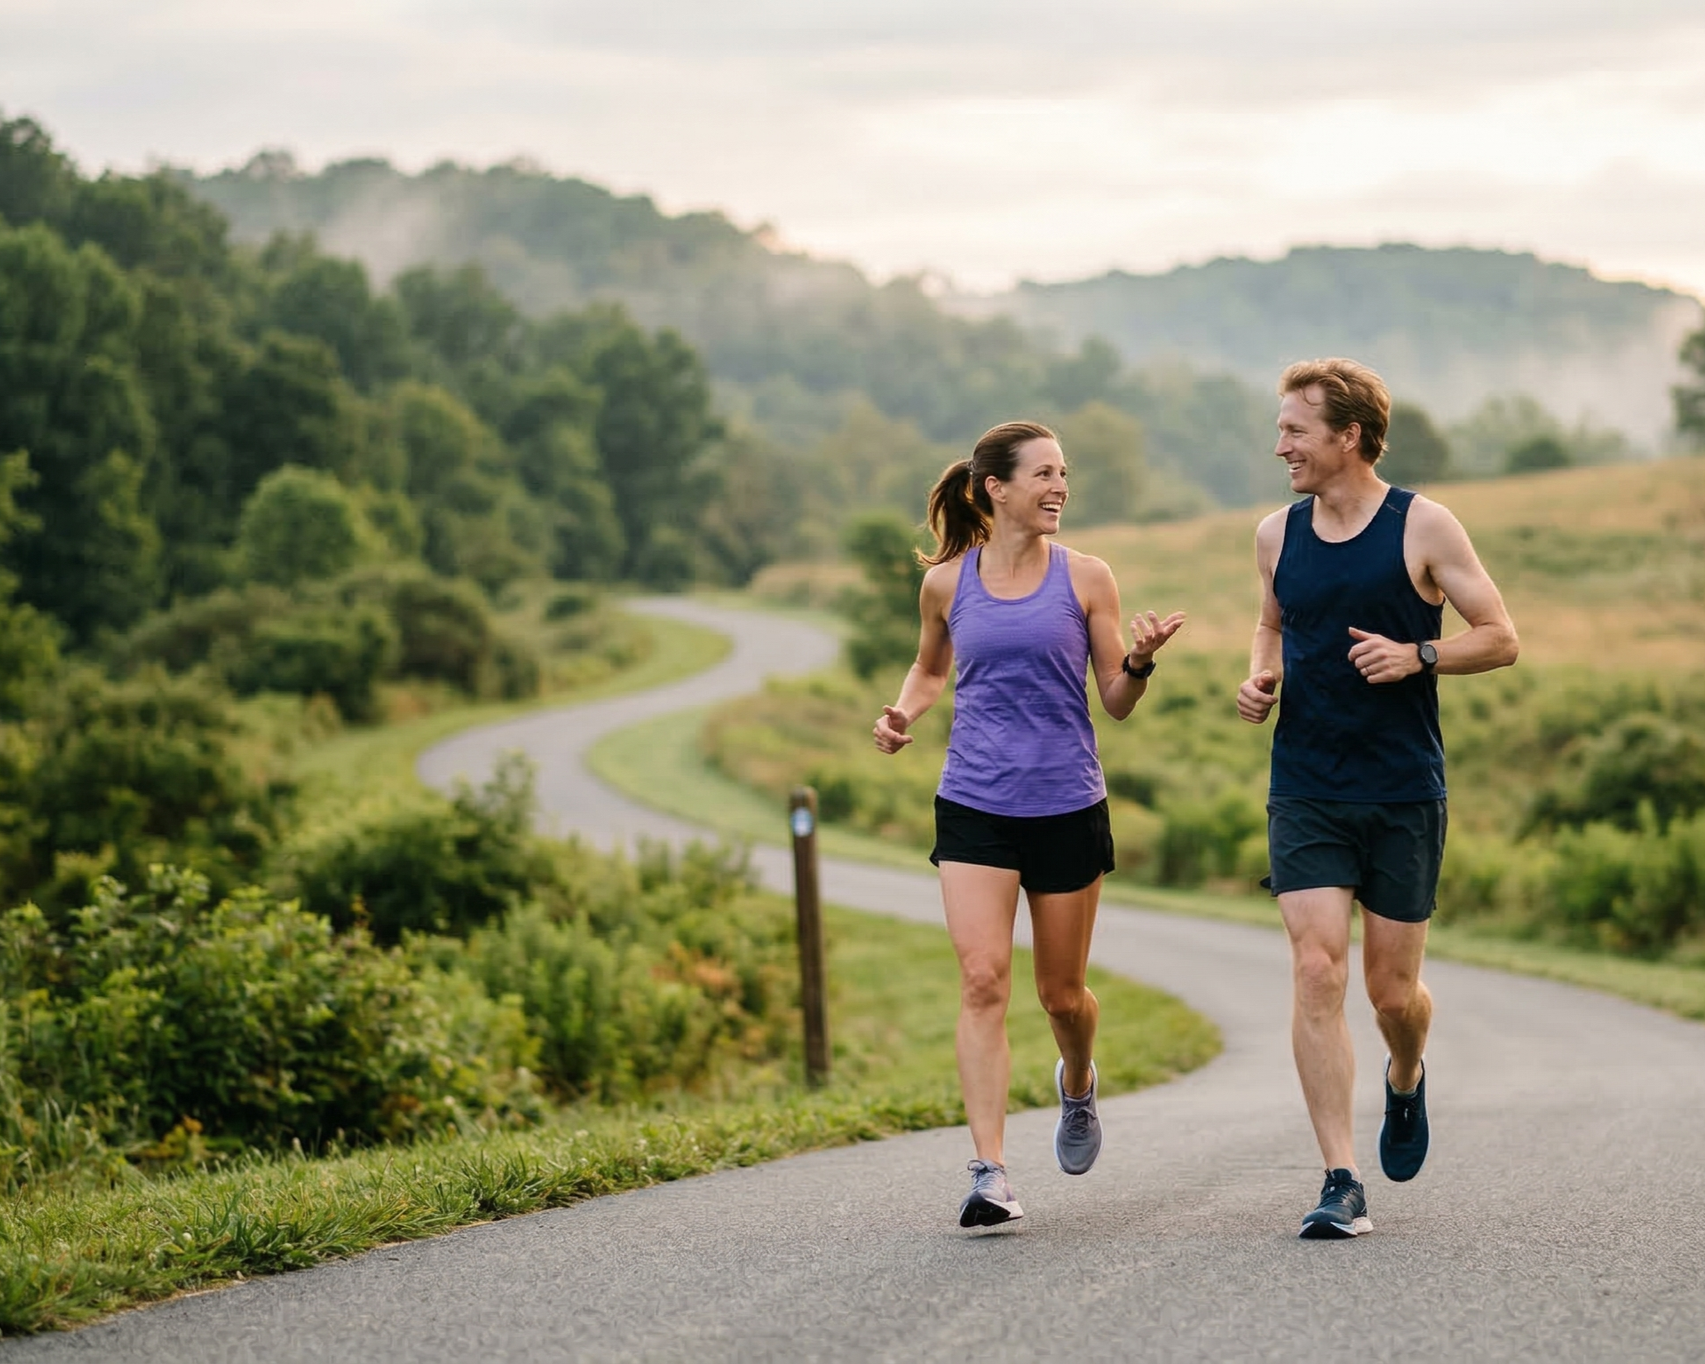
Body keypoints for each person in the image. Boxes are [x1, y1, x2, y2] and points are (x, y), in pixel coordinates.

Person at [872, 420, 1184, 1228]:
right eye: (1043, 474)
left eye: (1063, 474)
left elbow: (1114, 700)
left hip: (1066, 805)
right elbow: (930, 665)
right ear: (994, 489)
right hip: (973, 801)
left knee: (1061, 994)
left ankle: (1076, 1083)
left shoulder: (1086, 578)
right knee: (981, 980)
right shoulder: (947, 584)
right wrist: (903, 711)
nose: (1059, 488)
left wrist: (1141, 660)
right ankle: (989, 1171)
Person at [1237, 359, 1519, 1239]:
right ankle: (1338, 1177)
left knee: (1391, 993)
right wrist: (1261, 674)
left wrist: (1418, 655)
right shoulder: (1274, 534)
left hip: (1400, 789)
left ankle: (1406, 1075)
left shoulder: (1423, 526)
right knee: (1315, 966)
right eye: (1279, 427)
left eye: (1294, 429)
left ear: (1347, 436)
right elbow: (1272, 622)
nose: (1279, 443)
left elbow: (1501, 638)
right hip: (1306, 787)